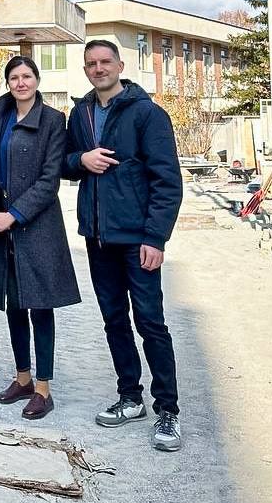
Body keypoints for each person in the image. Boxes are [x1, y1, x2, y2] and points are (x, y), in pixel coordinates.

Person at [63, 39, 184, 452]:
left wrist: (155, 237)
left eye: (105, 62)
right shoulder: (79, 113)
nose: (98, 69)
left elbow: (167, 182)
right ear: (85, 69)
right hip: (97, 239)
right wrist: (82, 160)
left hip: (137, 240)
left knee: (150, 323)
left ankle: (167, 408)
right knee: (114, 320)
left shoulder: (147, 114)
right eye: (91, 64)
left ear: (120, 65)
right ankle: (130, 396)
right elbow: (65, 161)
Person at [0, 56, 80, 420]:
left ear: (37, 80)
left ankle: (43, 389)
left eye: (26, 76)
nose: (21, 83)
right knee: (13, 304)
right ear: (7, 83)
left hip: (36, 226)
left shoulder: (53, 120)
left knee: (40, 305)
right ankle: (22, 378)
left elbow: (50, 179)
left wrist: (14, 215)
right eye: (14, 78)